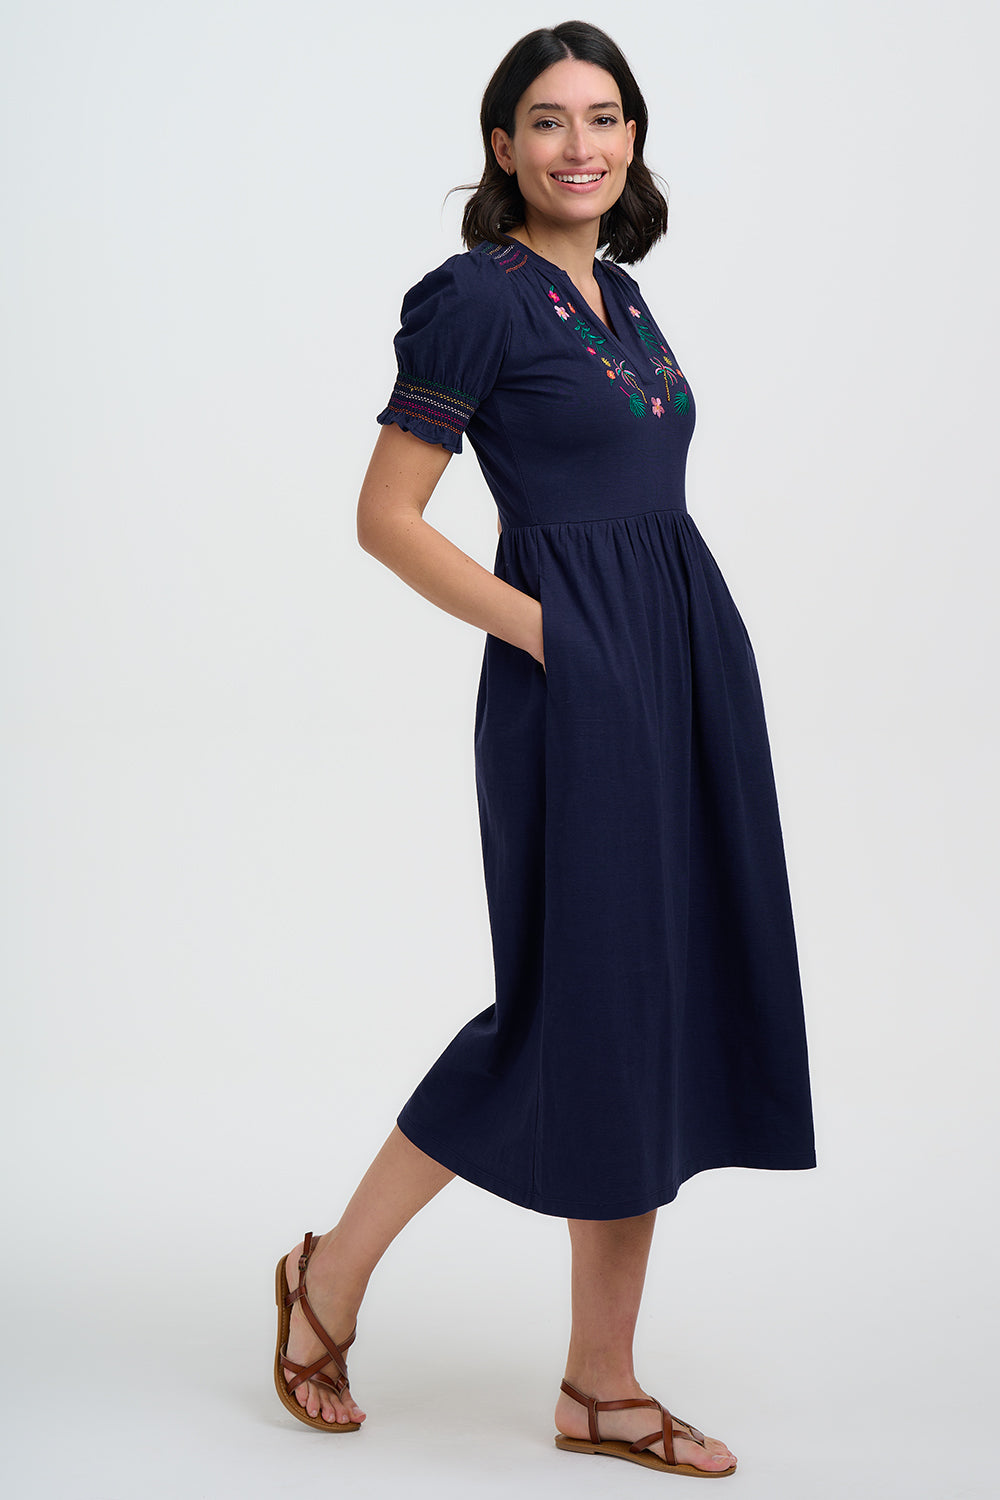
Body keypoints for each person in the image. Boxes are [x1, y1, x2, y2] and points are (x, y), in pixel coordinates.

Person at [273, 19, 816, 1478]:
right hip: (576, 678)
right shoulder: (478, 299)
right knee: (572, 1004)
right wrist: (550, 635)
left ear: (633, 139)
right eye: (548, 119)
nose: (582, 144)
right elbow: (387, 519)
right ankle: (328, 1278)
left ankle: (598, 1384)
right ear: (502, 145)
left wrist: (651, 646)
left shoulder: (620, 294)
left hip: (686, 658)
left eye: (607, 117)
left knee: (652, 1002)